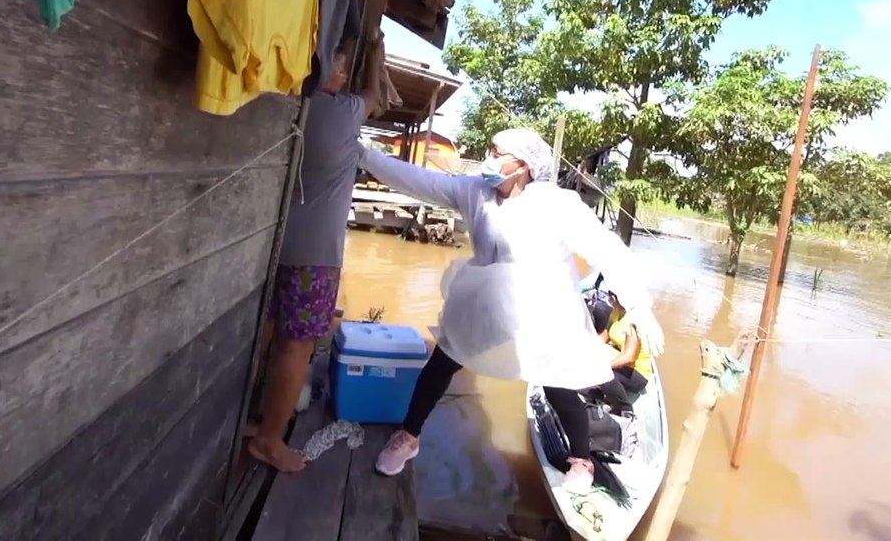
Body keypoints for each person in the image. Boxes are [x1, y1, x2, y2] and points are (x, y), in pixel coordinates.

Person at [357, 128, 665, 493]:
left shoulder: (557, 203)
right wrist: (364, 156)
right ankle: (408, 437)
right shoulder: (474, 192)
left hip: (546, 309)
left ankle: (582, 461)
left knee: (560, 386)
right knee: (442, 362)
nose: (488, 158)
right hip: (488, 303)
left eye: (496, 151)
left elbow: (606, 248)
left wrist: (639, 304)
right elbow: (421, 181)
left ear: (522, 165)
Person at [247, 30, 386, 473]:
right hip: (318, 255)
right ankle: (270, 439)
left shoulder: (291, 103)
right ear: (334, 71)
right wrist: (377, 50)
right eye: (342, 67)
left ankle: (255, 420)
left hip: (276, 242)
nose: (346, 76)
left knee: (267, 332)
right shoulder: (343, 113)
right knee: (297, 346)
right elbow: (375, 95)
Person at [593, 289, 654, 416]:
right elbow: (604, 337)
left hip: (638, 373)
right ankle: (604, 394)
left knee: (604, 373)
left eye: (612, 296)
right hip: (622, 359)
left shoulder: (633, 321)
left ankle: (624, 408)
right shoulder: (616, 312)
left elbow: (629, 358)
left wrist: (605, 366)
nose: (610, 299)